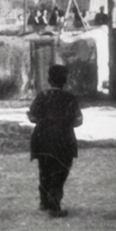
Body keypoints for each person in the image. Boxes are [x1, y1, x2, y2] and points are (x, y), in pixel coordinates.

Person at [27, 64, 83, 218]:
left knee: (44, 170)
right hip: (63, 140)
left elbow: (32, 117)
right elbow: (78, 121)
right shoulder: (70, 98)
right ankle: (54, 205)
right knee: (60, 171)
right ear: (65, 80)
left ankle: (44, 201)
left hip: (42, 138)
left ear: (49, 79)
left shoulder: (42, 96)